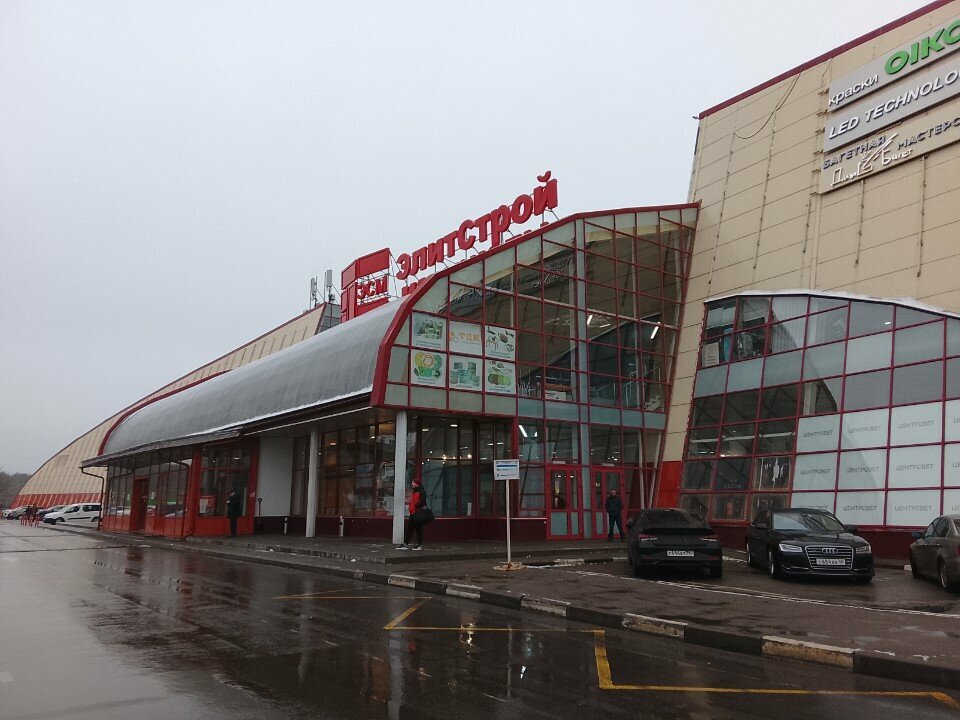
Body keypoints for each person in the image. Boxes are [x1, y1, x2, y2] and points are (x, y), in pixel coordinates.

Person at [396, 479, 427, 550]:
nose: (412, 484)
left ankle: (419, 545)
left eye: (413, 482)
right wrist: (410, 505)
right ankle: (405, 544)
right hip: (412, 513)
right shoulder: (414, 492)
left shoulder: (422, 492)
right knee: (409, 529)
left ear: (417, 484)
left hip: (418, 513)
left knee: (418, 529)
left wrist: (415, 505)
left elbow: (423, 502)